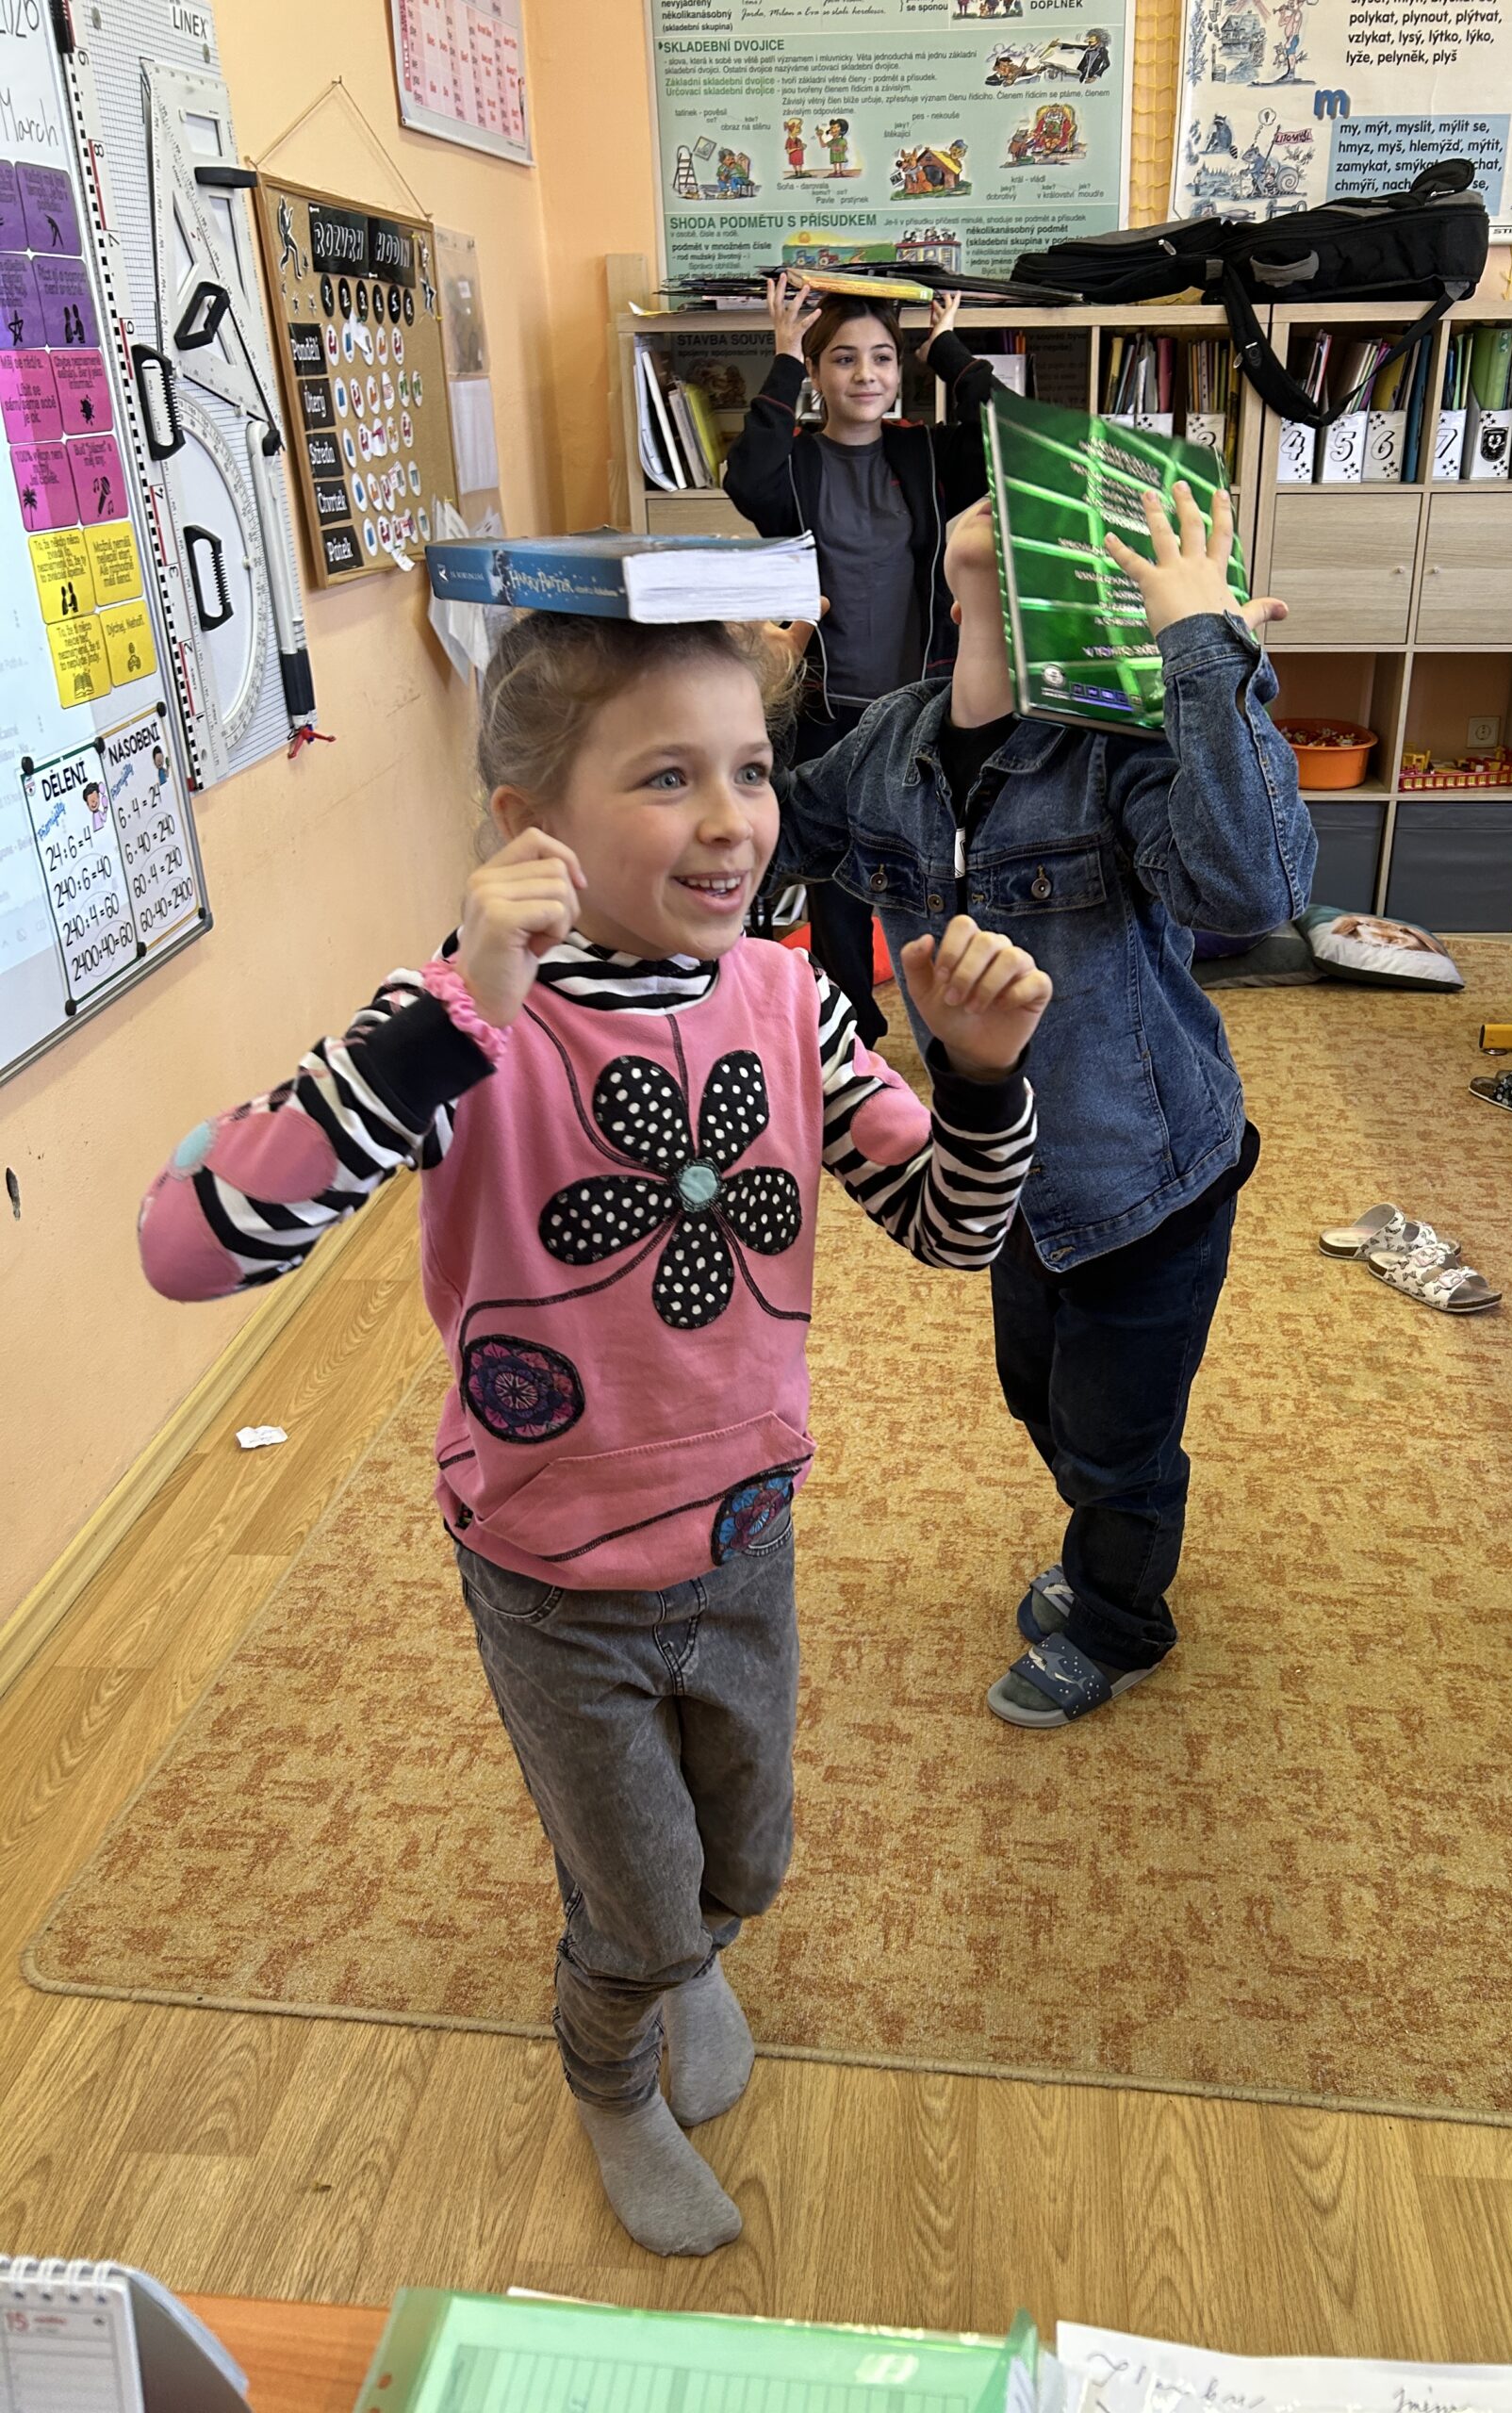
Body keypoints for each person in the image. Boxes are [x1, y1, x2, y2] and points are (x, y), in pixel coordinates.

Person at [137, 610, 1049, 2252]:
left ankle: (686, 1955)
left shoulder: (787, 996)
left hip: (745, 1538)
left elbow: (951, 1228)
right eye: (667, 778)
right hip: (554, 1572)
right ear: (528, 825)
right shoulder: (468, 1027)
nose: (733, 820)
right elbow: (191, 1244)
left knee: (743, 1862)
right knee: (630, 1904)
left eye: (751, 770)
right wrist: (451, 1009)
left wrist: (979, 1081)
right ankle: (613, 2078)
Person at [770, 482, 1314, 1728]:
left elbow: (1252, 889)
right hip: (1002, 1171)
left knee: (1119, 1442)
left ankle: (1123, 1613)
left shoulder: (1121, 744)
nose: (993, 501)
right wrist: (747, 685)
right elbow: (761, 839)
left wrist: (1200, 648)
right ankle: (1104, 1531)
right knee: (1042, 1400)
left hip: (1151, 1176)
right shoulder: (893, 740)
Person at [723, 275, 995, 1044]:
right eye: (843, 358)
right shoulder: (797, 465)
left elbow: (1012, 441)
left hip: (921, 710)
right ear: (818, 373)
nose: (866, 375)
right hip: (825, 706)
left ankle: (959, 1031)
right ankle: (851, 1033)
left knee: (937, 869)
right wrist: (783, 352)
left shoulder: (928, 453)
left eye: (882, 357)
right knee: (836, 885)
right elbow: (747, 478)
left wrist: (950, 352)